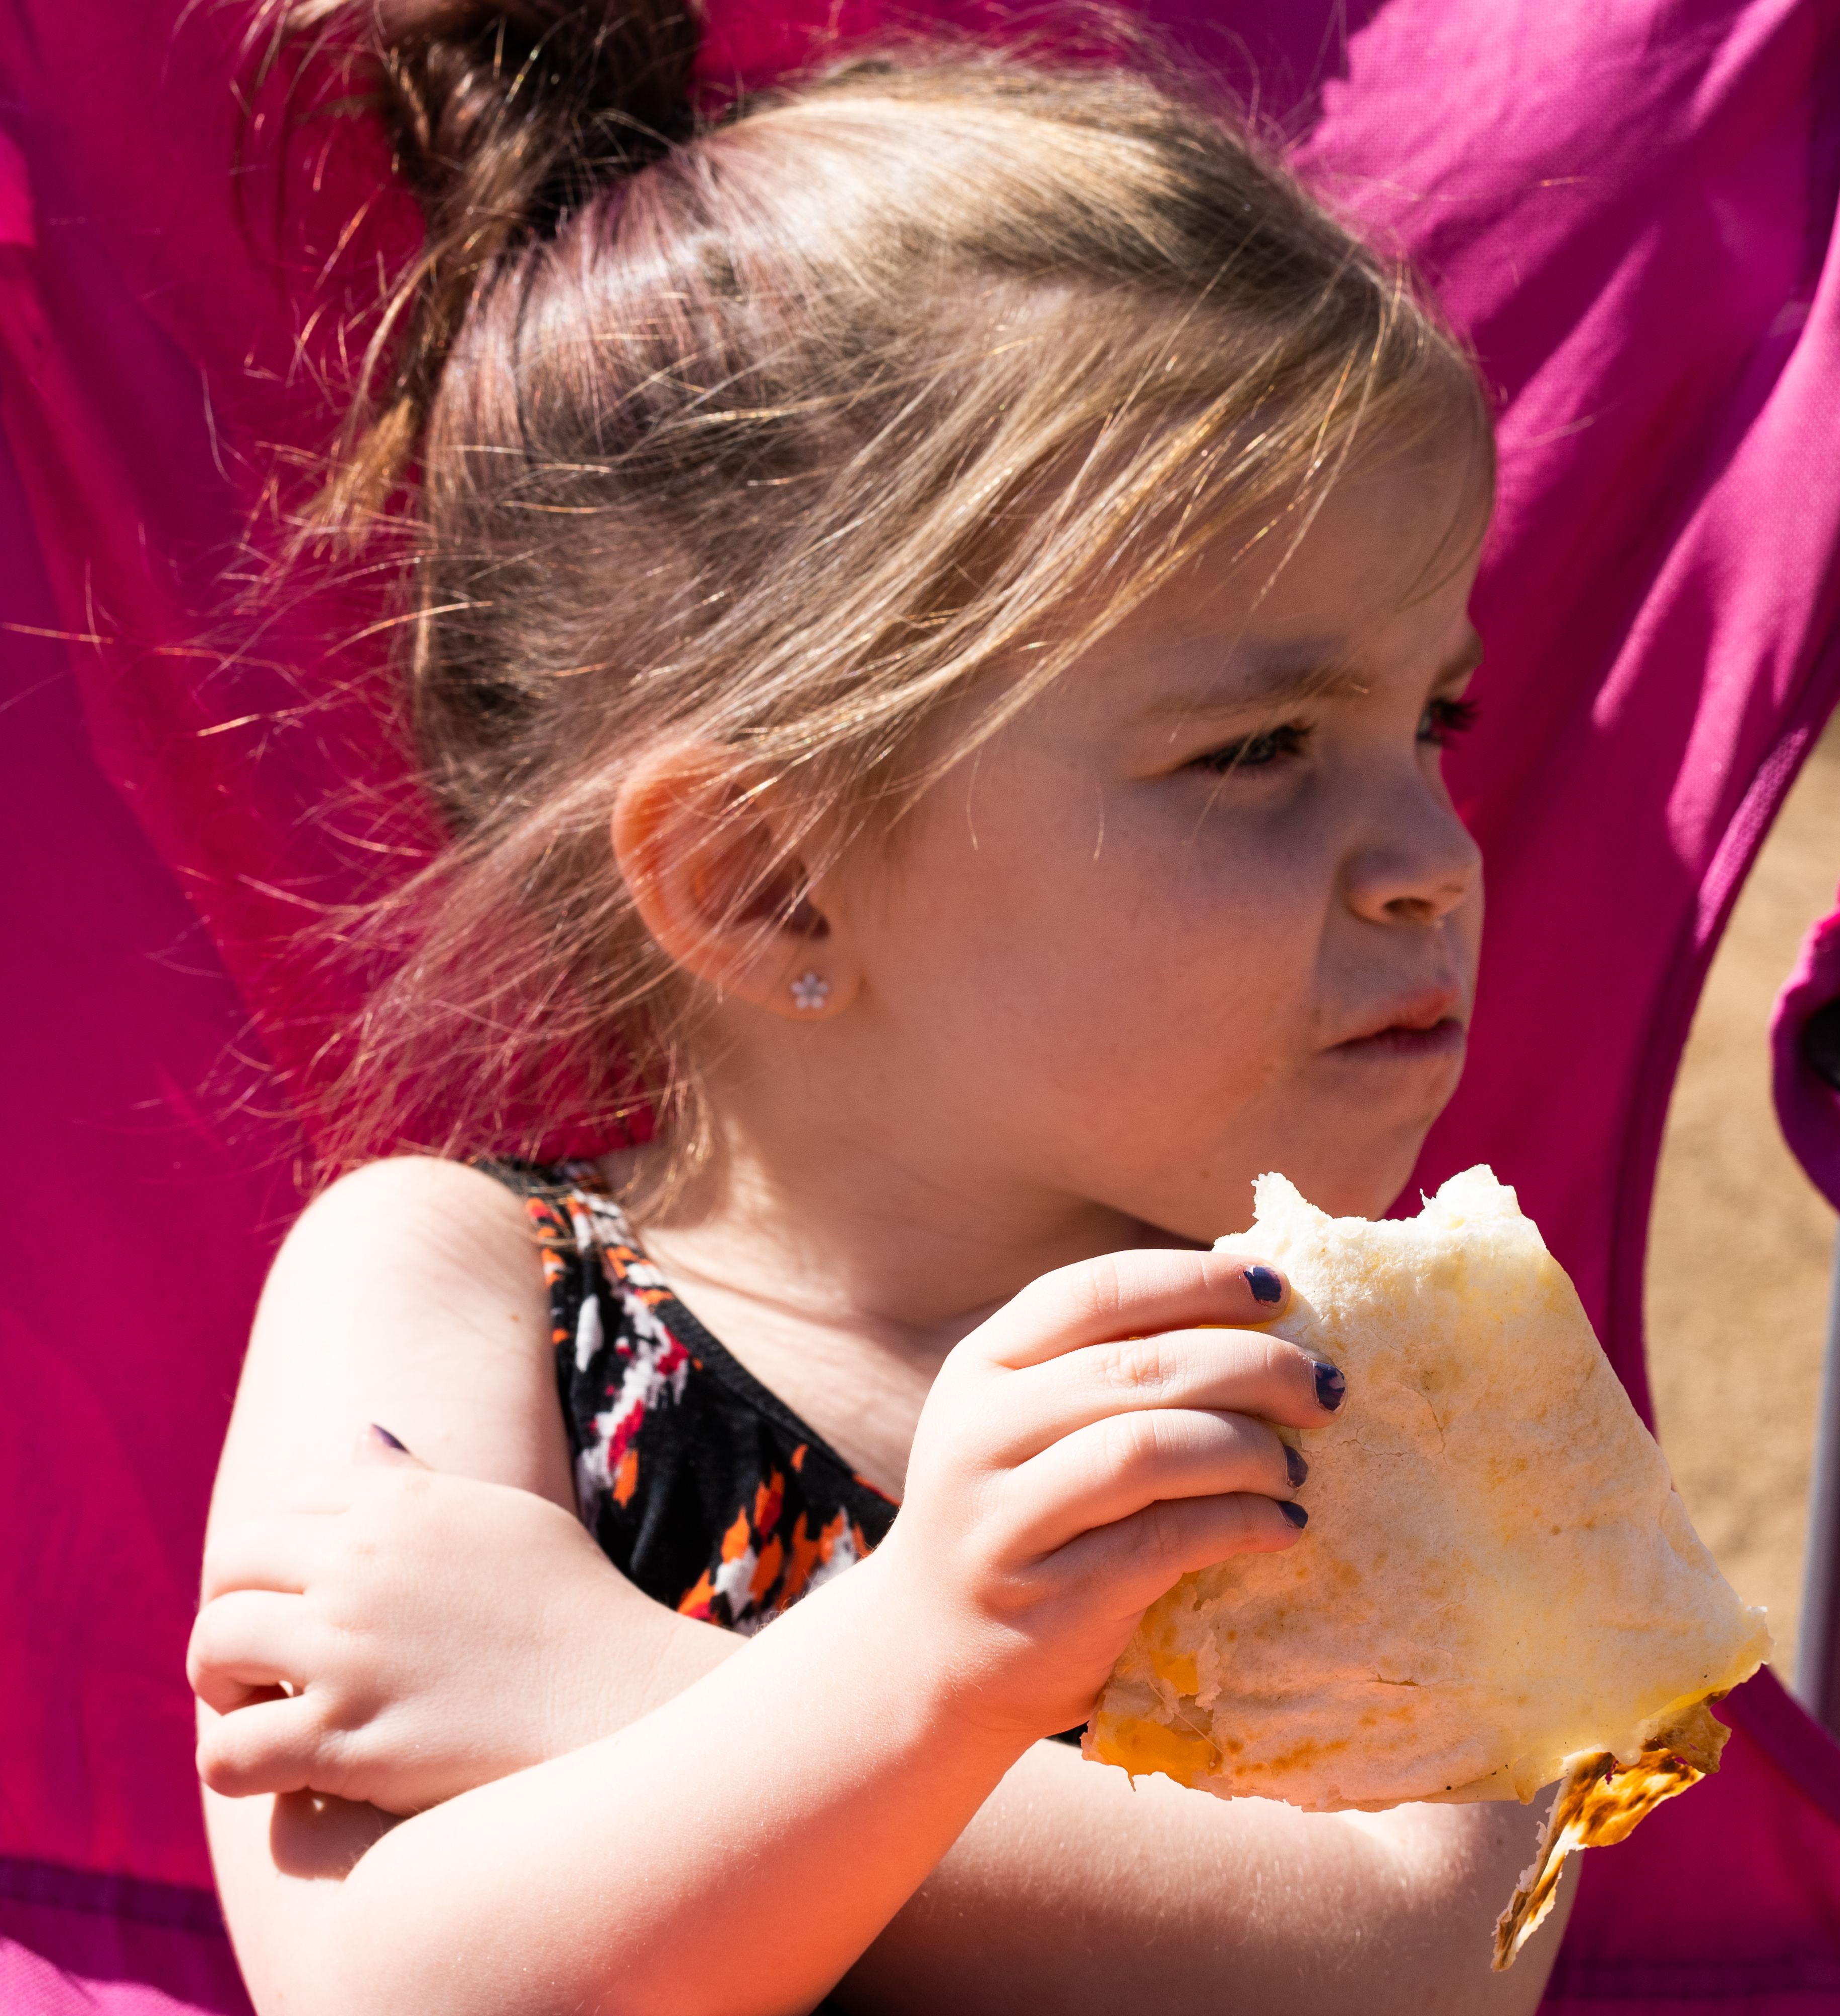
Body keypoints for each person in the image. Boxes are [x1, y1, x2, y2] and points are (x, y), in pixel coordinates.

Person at [187, 4, 1553, 2009]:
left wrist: (643, 1681)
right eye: (1263, 745)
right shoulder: (455, 1287)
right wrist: (919, 1665)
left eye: (1431, 716)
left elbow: (1425, 1956)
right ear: (765, 880)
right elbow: (391, 1983)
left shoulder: (1366, 1377)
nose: (1435, 849)